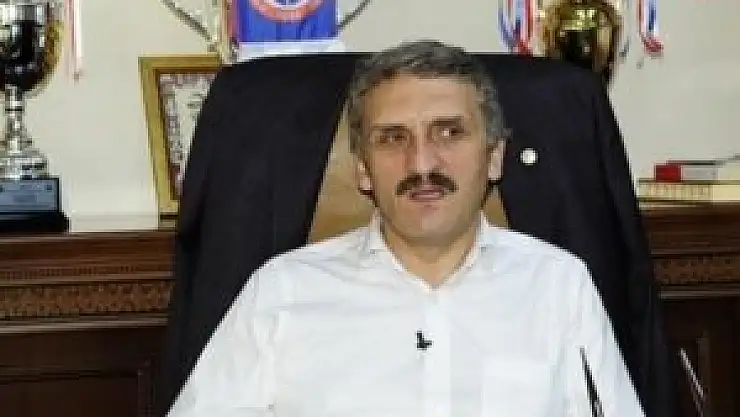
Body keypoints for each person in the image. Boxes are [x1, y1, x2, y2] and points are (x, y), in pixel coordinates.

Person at [166, 39, 645, 417]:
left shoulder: (558, 284)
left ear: (495, 156)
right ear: (362, 168)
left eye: (449, 133)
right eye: (393, 138)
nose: (421, 164)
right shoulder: (282, 292)